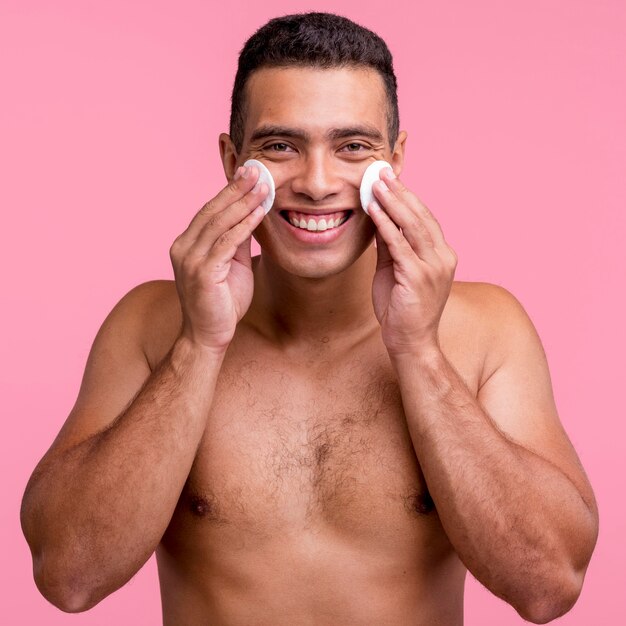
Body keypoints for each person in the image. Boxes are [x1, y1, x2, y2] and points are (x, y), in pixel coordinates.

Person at [20, 12, 598, 625]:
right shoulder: (150, 326)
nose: (318, 183)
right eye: (280, 146)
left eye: (352, 147)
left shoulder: (486, 330)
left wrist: (420, 353)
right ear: (230, 159)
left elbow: (548, 586)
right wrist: (199, 344)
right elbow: (69, 575)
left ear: (395, 160)